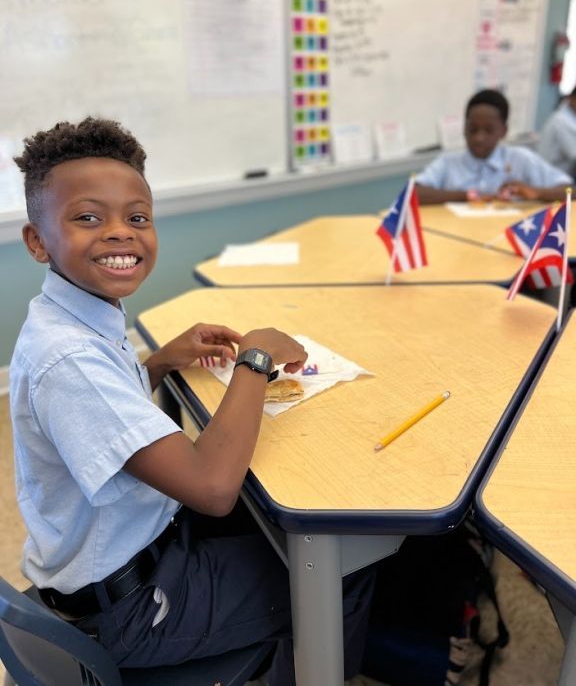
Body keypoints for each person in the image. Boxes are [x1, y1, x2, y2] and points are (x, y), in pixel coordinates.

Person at [9, 117, 375, 685]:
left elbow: (101, 414)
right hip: (132, 607)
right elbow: (212, 488)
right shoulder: (69, 359)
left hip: (125, 560)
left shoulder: (68, 319)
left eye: (137, 217)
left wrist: (157, 363)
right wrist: (254, 360)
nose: (119, 232)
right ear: (37, 241)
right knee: (339, 570)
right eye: (88, 217)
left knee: (289, 525)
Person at [414, 89, 571, 205]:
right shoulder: (448, 162)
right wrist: (467, 195)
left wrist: (536, 192)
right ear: (463, 128)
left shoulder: (521, 159)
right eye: (472, 129)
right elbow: (414, 194)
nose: (479, 138)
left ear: (503, 131)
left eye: (489, 130)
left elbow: (569, 191)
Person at [538, 86, 576, 177]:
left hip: (558, 178)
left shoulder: (567, 118)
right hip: (553, 181)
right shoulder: (563, 122)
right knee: (571, 190)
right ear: (572, 98)